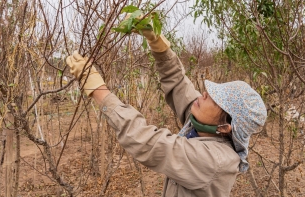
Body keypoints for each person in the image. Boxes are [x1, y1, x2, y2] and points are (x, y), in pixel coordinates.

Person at [66, 27, 267, 197]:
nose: (205, 94)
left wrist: (99, 91)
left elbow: (150, 143)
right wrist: (159, 46)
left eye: (216, 100)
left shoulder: (214, 161)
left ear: (225, 127)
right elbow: (180, 84)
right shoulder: (207, 126)